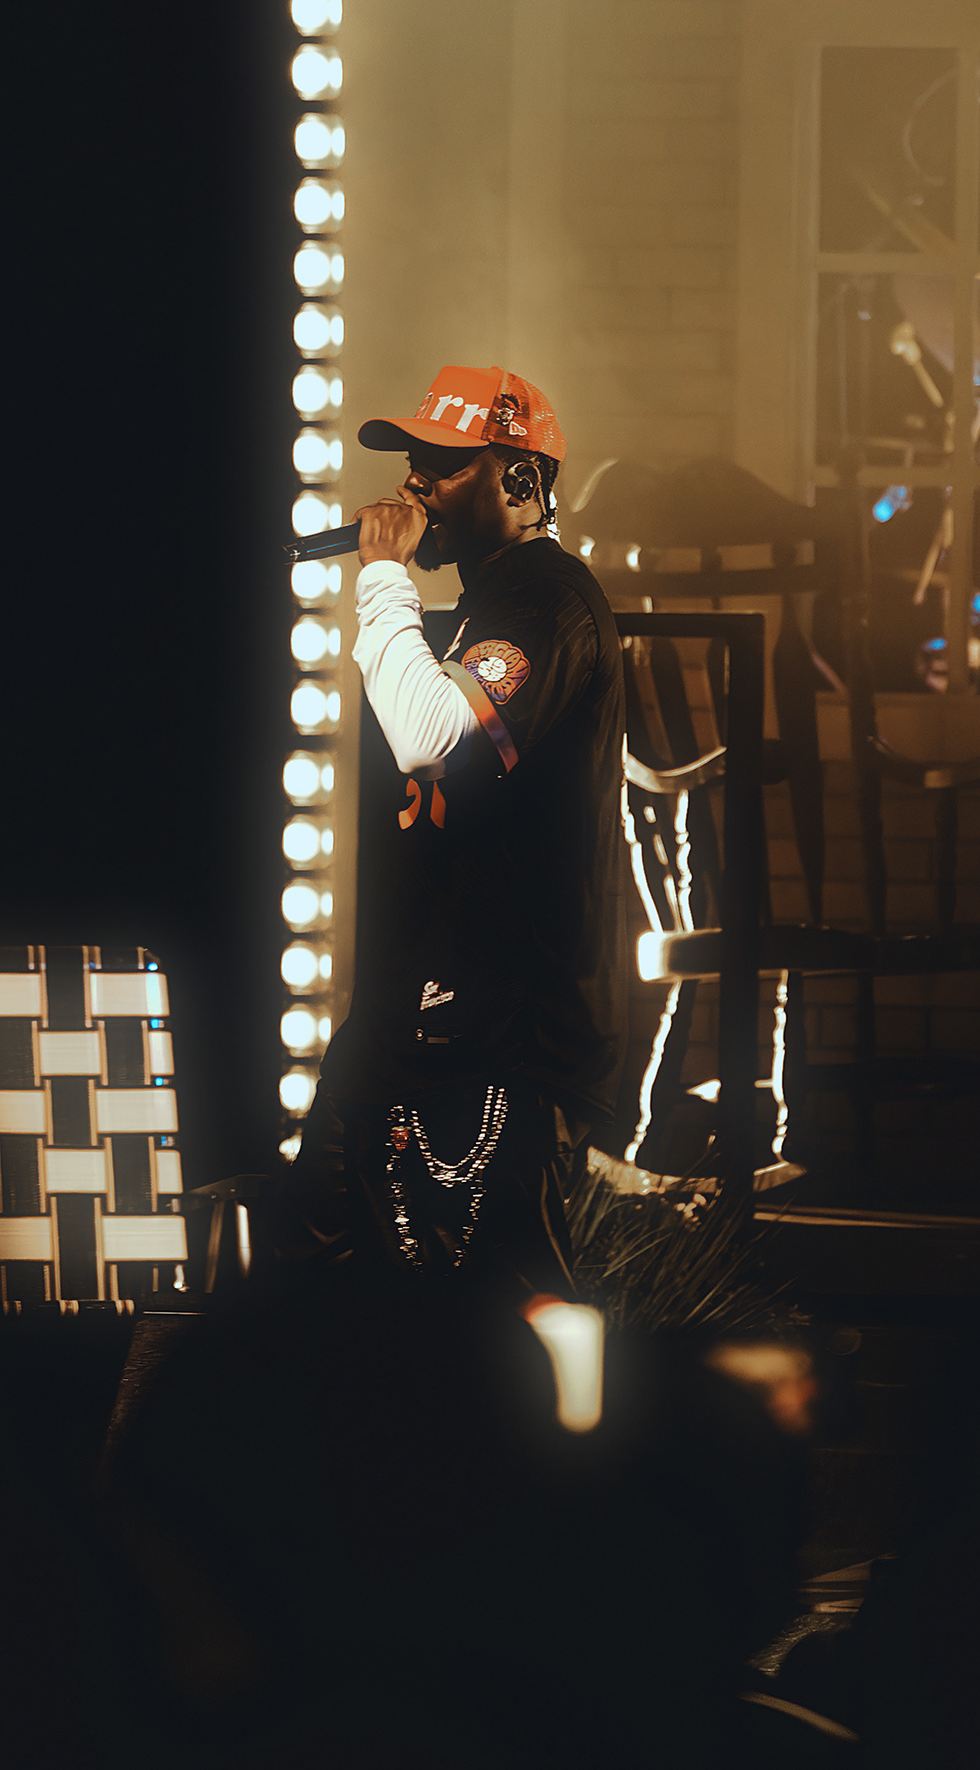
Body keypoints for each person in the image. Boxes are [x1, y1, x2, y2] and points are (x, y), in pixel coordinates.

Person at [280, 364, 624, 1292]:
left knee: (485, 1315)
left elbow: (428, 737)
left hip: (500, 1037)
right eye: (413, 460)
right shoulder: (487, 602)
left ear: (521, 479)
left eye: (443, 463)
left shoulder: (549, 602)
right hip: (415, 1019)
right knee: (319, 1282)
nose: (414, 481)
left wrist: (383, 576)